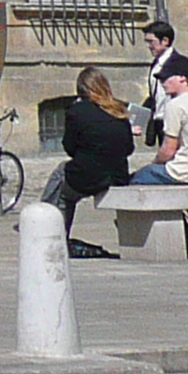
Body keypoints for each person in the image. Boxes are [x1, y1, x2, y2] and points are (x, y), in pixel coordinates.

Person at [41, 67, 136, 256]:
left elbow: (69, 147)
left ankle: (48, 228)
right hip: (117, 177)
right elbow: (129, 149)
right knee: (66, 174)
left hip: (88, 178)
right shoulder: (119, 110)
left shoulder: (77, 111)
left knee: (62, 181)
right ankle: (45, 220)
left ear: (81, 90)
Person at [127, 68, 188, 186]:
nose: (162, 84)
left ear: (182, 78)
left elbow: (168, 150)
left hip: (184, 173)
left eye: (165, 79)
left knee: (136, 178)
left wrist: (154, 163)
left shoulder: (176, 105)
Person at [140, 21, 188, 146]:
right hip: (161, 122)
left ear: (165, 41)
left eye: (151, 42)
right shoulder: (155, 64)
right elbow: (155, 95)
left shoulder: (182, 64)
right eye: (147, 42)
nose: (148, 46)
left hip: (179, 123)